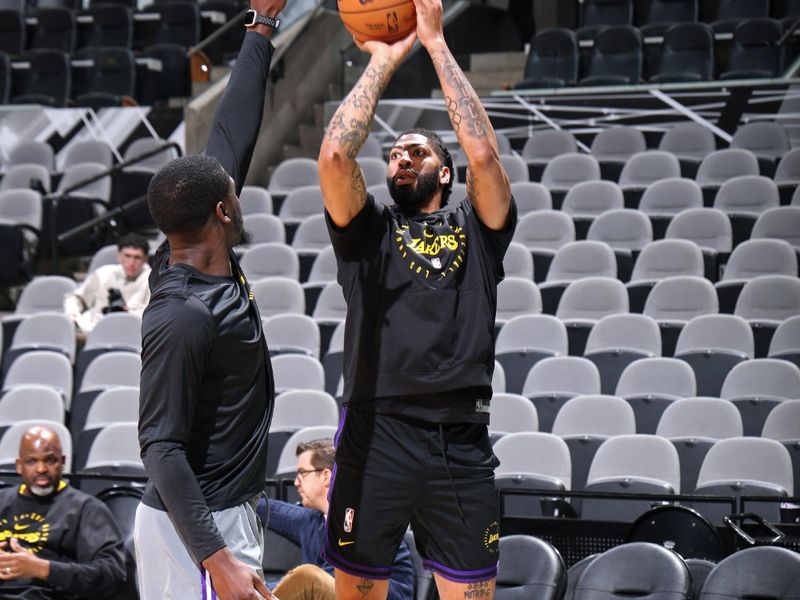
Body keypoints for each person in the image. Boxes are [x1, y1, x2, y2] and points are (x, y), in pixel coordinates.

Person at [317, 0, 515, 598]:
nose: (402, 157)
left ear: (446, 174)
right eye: (395, 152)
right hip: (378, 432)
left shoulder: (480, 231)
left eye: (418, 151)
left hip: (460, 438)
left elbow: (483, 153)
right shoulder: (368, 231)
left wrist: (433, 42)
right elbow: (333, 157)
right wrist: (382, 57)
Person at [133, 1, 285, 598]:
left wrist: (262, 29)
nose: (236, 184)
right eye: (233, 191)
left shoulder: (194, 242)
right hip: (195, 530)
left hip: (219, 514)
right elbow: (161, 447)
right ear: (224, 212)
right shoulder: (182, 313)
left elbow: (229, 136)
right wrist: (216, 557)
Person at [261, 439, 414, 600]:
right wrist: (239, 498)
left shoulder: (363, 522)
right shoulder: (313, 519)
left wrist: (257, 590)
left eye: (302, 473)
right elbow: (274, 510)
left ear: (326, 476)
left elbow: (332, 576)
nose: (296, 482)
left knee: (308, 578)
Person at [0, 425, 126, 599]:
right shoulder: (2, 501)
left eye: (50, 460)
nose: (41, 469)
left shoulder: (86, 509)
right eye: (31, 461)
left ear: (62, 461)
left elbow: (112, 573)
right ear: (19, 466)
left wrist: (42, 569)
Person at [63, 233, 151, 338]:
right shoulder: (103, 274)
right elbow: (75, 298)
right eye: (127, 256)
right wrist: (72, 316)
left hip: (133, 334)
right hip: (93, 331)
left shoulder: (154, 280)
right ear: (119, 256)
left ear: (145, 259)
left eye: (137, 257)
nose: (131, 262)